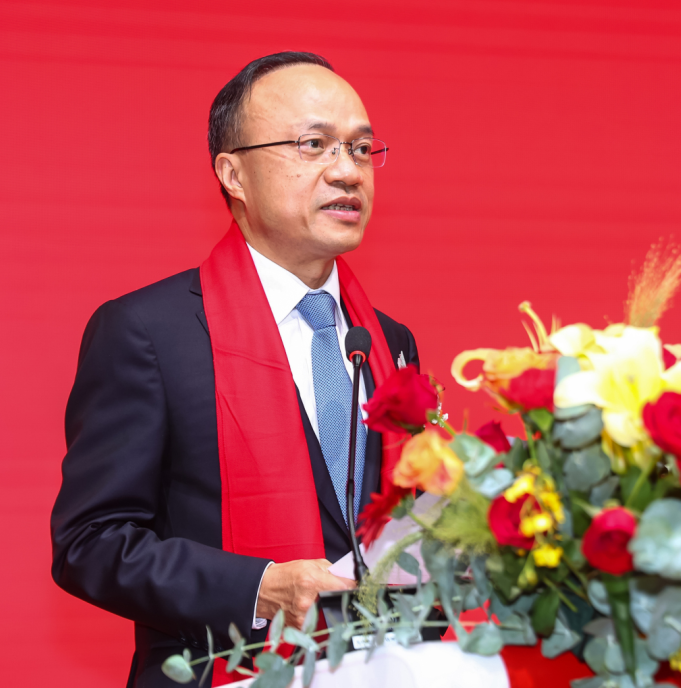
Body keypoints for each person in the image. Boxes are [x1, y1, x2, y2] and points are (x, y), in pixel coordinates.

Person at [50, 52, 419, 688]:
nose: (347, 171)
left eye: (361, 149)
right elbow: (90, 543)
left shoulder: (388, 342)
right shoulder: (149, 331)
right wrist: (259, 588)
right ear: (233, 173)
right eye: (314, 145)